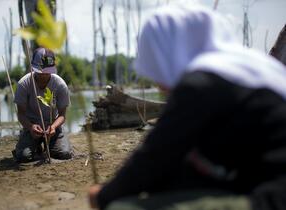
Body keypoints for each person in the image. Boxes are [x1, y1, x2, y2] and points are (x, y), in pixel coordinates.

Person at [89, 5, 286, 210]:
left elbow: (154, 158)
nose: (159, 84)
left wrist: (103, 195)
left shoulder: (203, 79)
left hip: (274, 198)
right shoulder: (248, 66)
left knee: (122, 207)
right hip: (260, 181)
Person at [12, 47, 72, 162]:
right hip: (32, 128)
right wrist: (30, 127)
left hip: (52, 127)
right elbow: (21, 114)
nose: (44, 75)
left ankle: (50, 144)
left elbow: (63, 115)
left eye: (48, 72)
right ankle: (34, 144)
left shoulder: (60, 85)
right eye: (40, 72)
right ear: (33, 69)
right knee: (23, 157)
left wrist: (53, 127)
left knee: (64, 154)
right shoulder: (23, 84)